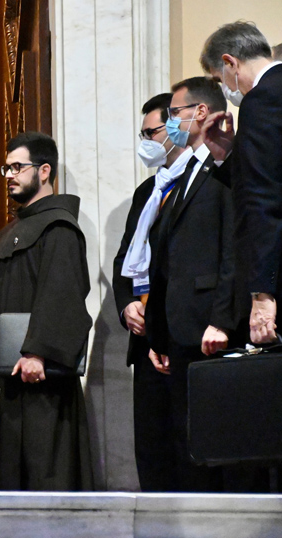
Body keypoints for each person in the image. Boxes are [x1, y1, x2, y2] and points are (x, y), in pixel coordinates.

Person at [0, 131, 93, 491]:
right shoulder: (12, 231)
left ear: (44, 171)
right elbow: (0, 302)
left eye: (18, 167)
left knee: (47, 468)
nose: (10, 174)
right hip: (12, 372)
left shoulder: (59, 227)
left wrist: (38, 352)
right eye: (7, 168)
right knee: (13, 471)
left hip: (42, 375)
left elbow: (62, 295)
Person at [142, 77, 237, 492]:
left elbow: (233, 249)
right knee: (184, 442)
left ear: (200, 112)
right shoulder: (184, 173)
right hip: (179, 328)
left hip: (209, 328)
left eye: (176, 112)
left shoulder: (222, 169)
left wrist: (222, 318)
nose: (171, 120)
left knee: (216, 442)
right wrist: (158, 333)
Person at [114, 93, 188, 491]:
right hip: (143, 336)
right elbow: (124, 259)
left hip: (179, 331)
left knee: (186, 445)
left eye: (152, 132)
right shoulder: (147, 192)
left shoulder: (204, 180)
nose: (145, 141)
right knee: (151, 448)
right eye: (141, 134)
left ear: (176, 127)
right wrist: (126, 304)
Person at [200, 22, 282, 346]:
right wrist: (229, 155)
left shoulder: (261, 99)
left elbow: (263, 202)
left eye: (221, 79)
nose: (226, 89)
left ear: (230, 62)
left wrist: (262, 293)